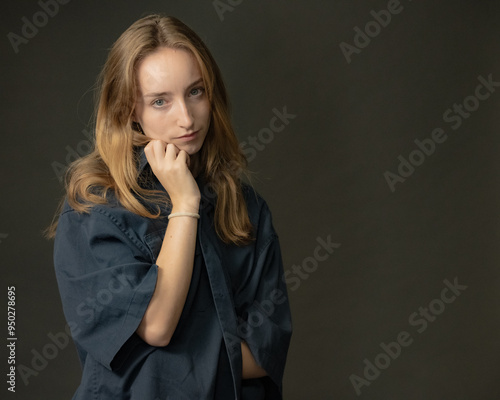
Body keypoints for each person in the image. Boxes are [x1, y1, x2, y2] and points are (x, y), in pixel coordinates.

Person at [47, 14, 292, 400]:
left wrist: (163, 362)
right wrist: (185, 203)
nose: (186, 117)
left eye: (195, 92)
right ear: (130, 109)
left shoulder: (248, 208)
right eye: (160, 101)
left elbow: (267, 352)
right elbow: (158, 325)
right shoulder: (92, 210)